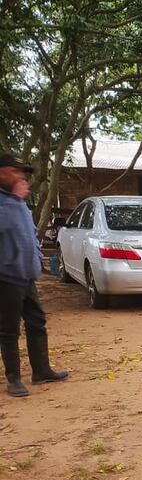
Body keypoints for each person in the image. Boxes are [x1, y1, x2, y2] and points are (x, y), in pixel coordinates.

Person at [0, 152, 68, 397]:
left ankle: (41, 371)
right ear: (2, 172)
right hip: (6, 277)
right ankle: (14, 380)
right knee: (9, 330)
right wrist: (14, 200)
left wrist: (37, 261)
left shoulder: (17, 201)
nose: (20, 176)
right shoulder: (8, 201)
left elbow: (28, 234)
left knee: (37, 323)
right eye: (15, 171)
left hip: (26, 276)